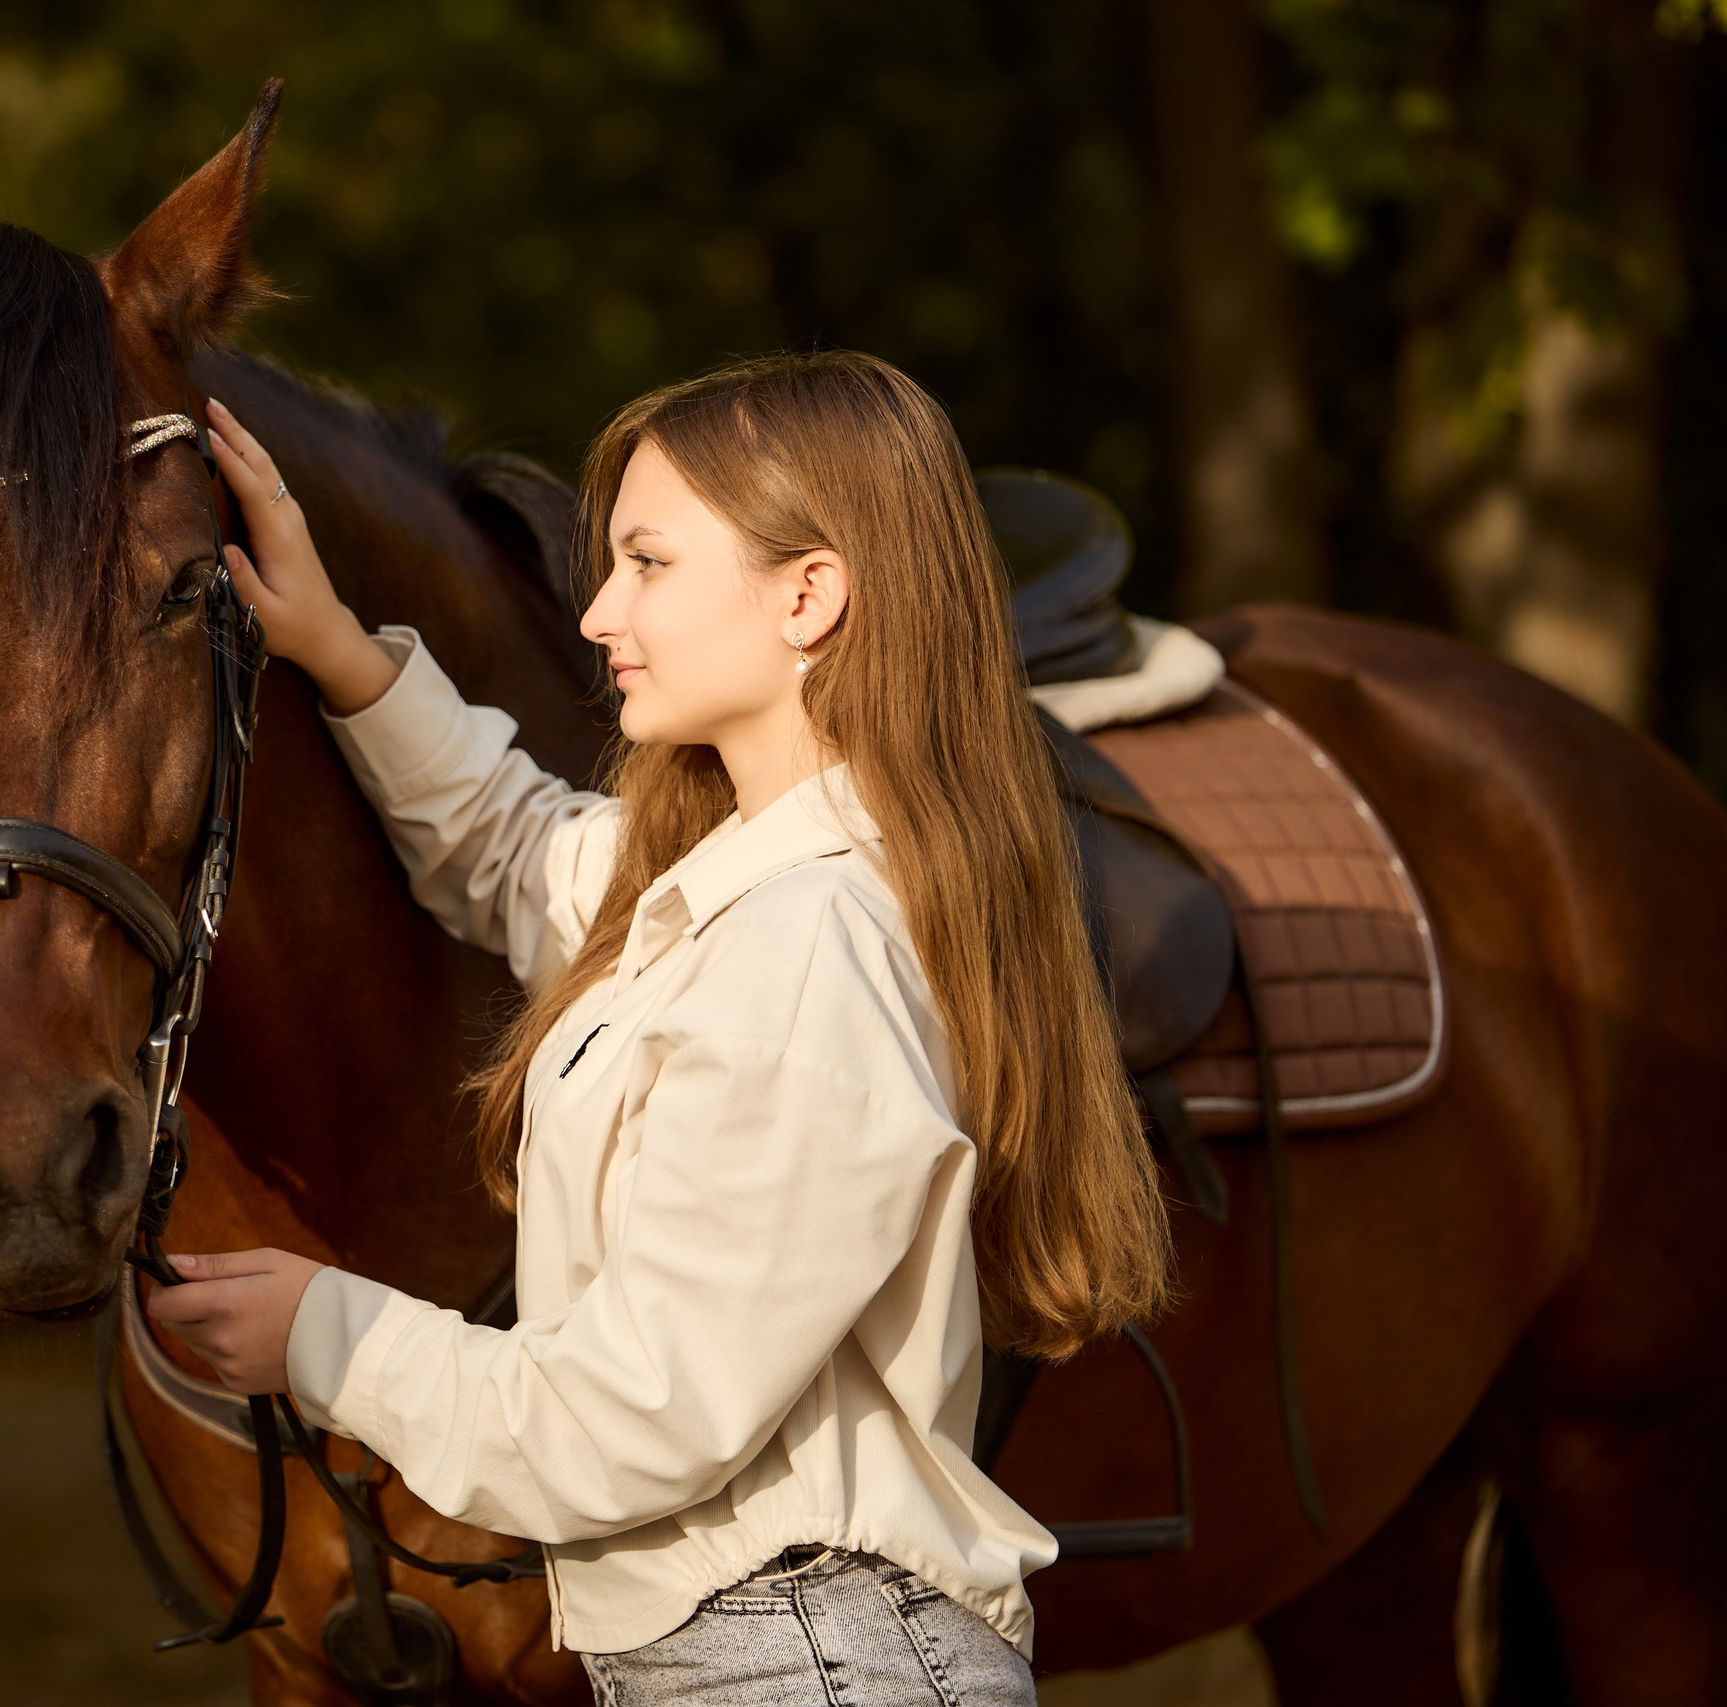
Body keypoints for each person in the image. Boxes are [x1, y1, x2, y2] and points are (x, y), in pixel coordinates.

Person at [145, 352, 1173, 1705]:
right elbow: (515, 852)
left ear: (810, 596)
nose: (599, 613)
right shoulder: (738, 888)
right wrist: (337, 643)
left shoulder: (811, 948)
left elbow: (642, 1411)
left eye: (648, 563)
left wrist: (328, 1334)